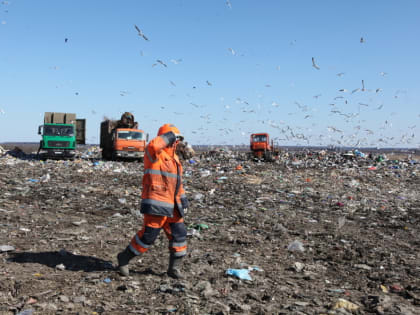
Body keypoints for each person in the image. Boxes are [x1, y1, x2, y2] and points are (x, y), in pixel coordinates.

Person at [117, 124, 189, 279]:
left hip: (173, 206)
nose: (177, 142)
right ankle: (124, 258)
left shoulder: (175, 159)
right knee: (147, 237)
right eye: (174, 139)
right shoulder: (153, 154)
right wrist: (170, 135)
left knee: (179, 235)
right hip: (157, 204)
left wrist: (183, 200)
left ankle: (174, 268)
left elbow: (177, 183)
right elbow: (154, 144)